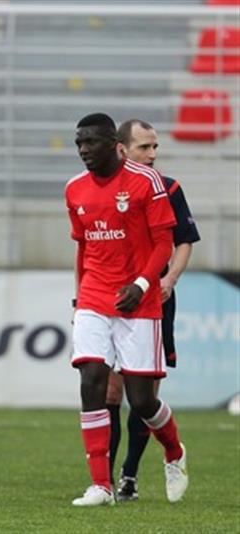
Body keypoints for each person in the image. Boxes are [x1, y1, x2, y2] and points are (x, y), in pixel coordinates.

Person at [65, 112, 188, 506]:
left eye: (91, 143)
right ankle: (100, 485)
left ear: (114, 145)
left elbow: (163, 244)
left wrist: (141, 283)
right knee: (92, 382)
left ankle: (174, 451)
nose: (84, 150)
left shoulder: (147, 183)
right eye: (79, 143)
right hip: (94, 297)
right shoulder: (74, 189)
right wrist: (78, 296)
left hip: (139, 299)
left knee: (143, 401)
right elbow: (84, 247)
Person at [105, 119, 201, 501]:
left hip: (155, 300)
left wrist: (170, 279)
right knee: (110, 391)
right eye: (145, 147)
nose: (153, 155)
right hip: (112, 299)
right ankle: (106, 480)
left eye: (155, 147)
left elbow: (184, 241)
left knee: (144, 394)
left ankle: (130, 473)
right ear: (121, 149)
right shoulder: (105, 188)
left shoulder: (169, 187)